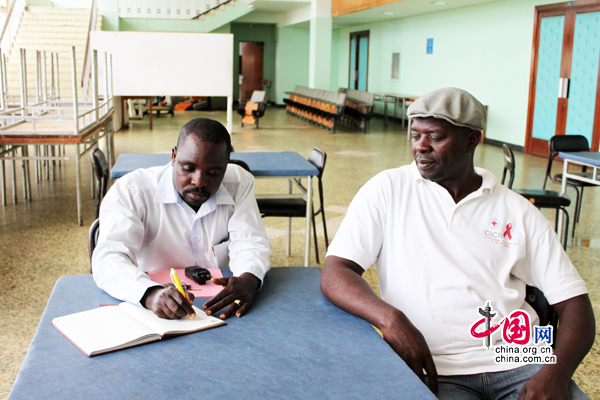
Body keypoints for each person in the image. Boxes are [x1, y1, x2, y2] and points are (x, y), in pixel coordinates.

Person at [321, 88, 595, 400]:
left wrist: (556, 375)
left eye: (435, 137)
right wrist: (391, 319)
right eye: (415, 135)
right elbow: (336, 271)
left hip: (521, 362)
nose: (420, 147)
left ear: (471, 140)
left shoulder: (517, 211)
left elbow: (574, 303)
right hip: (434, 367)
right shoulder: (387, 190)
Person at [93, 118, 270, 320]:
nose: (199, 181)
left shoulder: (239, 182)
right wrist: (149, 293)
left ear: (225, 166)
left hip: (220, 307)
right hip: (151, 306)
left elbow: (251, 240)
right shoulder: (132, 191)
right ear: (174, 156)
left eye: (213, 172)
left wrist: (249, 277)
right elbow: (108, 258)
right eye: (188, 168)